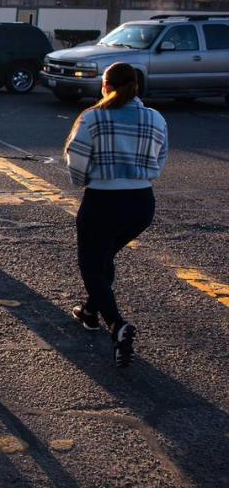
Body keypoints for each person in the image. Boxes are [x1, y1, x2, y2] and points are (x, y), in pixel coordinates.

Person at [64, 62, 168, 367]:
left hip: (103, 200)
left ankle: (117, 324)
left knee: (92, 266)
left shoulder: (93, 117)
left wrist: (84, 182)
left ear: (105, 86)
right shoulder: (155, 118)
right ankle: (89, 312)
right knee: (105, 257)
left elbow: (76, 159)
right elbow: (160, 160)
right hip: (141, 202)